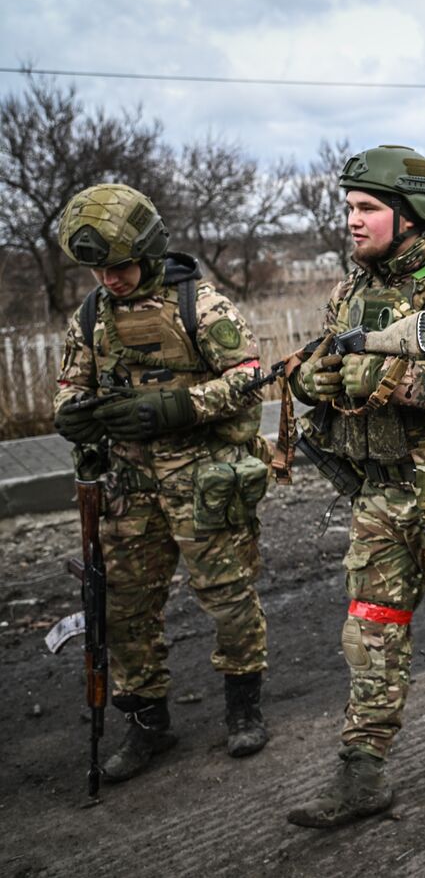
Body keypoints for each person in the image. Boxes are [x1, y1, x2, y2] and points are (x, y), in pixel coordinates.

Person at [286, 145, 425, 829]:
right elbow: (320, 366)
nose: (352, 221)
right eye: (348, 208)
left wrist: (398, 381)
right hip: (378, 491)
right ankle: (362, 771)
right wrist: (313, 381)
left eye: (366, 208)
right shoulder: (348, 292)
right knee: (370, 631)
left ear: (410, 213)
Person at [52, 183, 271, 783]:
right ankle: (146, 720)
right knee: (123, 608)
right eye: (97, 268)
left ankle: (243, 707)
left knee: (227, 596)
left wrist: (176, 407)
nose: (108, 278)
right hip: (127, 486)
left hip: (202, 480)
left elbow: (251, 378)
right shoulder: (92, 316)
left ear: (146, 252)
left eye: (118, 266)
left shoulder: (202, 307)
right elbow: (72, 382)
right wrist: (71, 412)